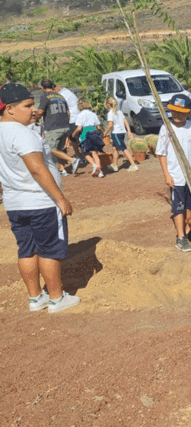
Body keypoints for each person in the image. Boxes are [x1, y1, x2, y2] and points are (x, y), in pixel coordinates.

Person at [0, 83, 80, 313]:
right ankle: (56, 298)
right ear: (10, 109)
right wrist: (60, 199)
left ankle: (35, 297)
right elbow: (37, 169)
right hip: (40, 202)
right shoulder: (21, 133)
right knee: (49, 250)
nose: (33, 110)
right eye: (27, 105)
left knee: (26, 249)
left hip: (15, 204)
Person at [155, 94, 191, 253]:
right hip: (176, 176)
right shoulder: (166, 128)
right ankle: (180, 237)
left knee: (190, 206)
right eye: (175, 112)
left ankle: (187, 231)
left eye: (182, 112)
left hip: (190, 176)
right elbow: (161, 153)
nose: (178, 115)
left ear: (188, 113)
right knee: (178, 207)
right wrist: (166, 174)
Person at [36, 79, 79, 176]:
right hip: (65, 125)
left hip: (53, 127)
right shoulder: (61, 96)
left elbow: (40, 112)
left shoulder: (45, 96)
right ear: (53, 86)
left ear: (43, 88)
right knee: (60, 149)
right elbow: (68, 113)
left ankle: (72, 160)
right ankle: (63, 170)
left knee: (50, 149)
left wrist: (34, 119)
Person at [71, 99, 107, 178]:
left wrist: (73, 135)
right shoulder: (93, 114)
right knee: (95, 153)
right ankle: (100, 172)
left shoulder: (80, 115)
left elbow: (79, 128)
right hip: (94, 133)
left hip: (85, 134)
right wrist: (102, 133)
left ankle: (94, 165)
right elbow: (99, 127)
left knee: (86, 153)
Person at [103, 97, 139, 172]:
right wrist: (129, 131)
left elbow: (110, 125)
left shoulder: (110, 113)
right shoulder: (119, 112)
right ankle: (115, 165)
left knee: (123, 149)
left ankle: (134, 165)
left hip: (116, 133)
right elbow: (125, 121)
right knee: (114, 148)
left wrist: (105, 133)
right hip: (122, 132)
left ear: (107, 104)